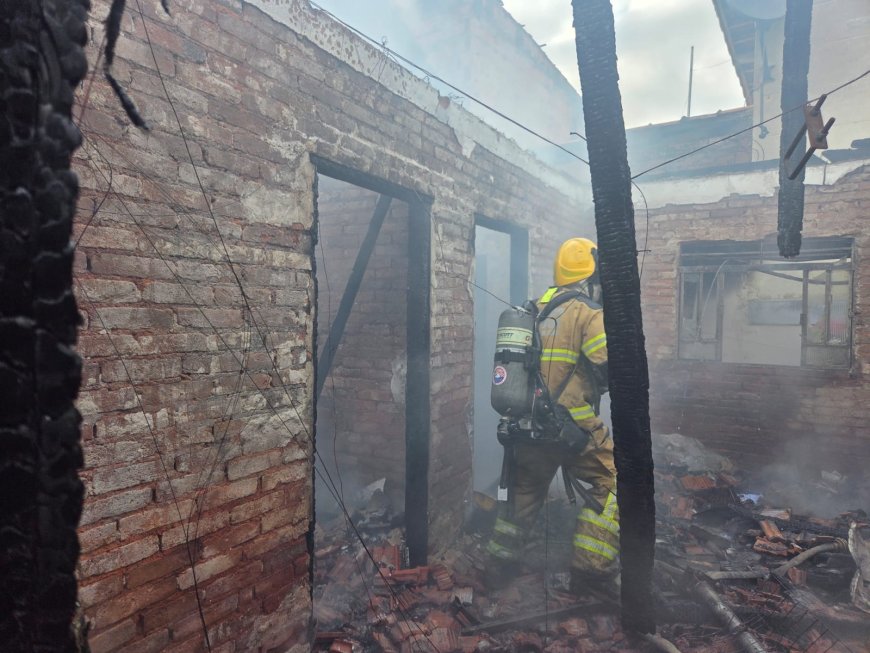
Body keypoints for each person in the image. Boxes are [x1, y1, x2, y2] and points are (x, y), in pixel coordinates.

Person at [486, 237, 618, 590]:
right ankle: (590, 566)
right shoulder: (588, 312)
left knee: (523, 492)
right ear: (589, 276)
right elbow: (611, 366)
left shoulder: (532, 310)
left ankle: (498, 565)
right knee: (614, 481)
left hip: (528, 427)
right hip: (573, 429)